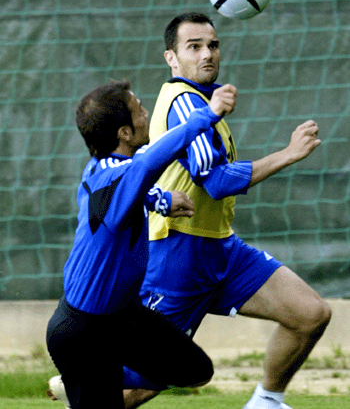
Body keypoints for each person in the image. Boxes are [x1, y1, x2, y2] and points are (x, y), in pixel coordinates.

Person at [123, 12, 332, 409]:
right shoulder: (185, 104)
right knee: (142, 385)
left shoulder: (206, 100)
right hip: (177, 258)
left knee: (310, 314)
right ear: (172, 58)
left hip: (221, 249)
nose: (207, 54)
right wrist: (287, 154)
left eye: (213, 45)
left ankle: (265, 402)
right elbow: (215, 182)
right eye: (194, 47)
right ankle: (80, 388)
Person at [46, 78, 239, 409]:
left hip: (123, 317)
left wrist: (160, 200)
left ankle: (84, 382)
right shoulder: (118, 178)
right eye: (139, 110)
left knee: (195, 370)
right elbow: (147, 165)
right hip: (82, 333)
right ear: (123, 132)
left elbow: (134, 180)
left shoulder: (104, 169)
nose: (146, 113)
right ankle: (81, 379)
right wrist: (205, 115)